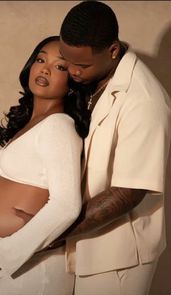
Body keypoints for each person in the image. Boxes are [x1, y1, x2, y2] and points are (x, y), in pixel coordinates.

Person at [48, 1, 171, 295]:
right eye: (68, 60)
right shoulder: (94, 79)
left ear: (113, 51)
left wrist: (44, 234)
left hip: (119, 256)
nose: (73, 71)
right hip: (84, 246)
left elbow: (128, 192)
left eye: (83, 65)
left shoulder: (144, 102)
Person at [0, 35, 90, 295]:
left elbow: (66, 205)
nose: (45, 68)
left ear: (71, 82)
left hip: (34, 271)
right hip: (17, 269)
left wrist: (3, 250)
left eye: (59, 66)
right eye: (40, 59)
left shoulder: (59, 126)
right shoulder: (33, 124)